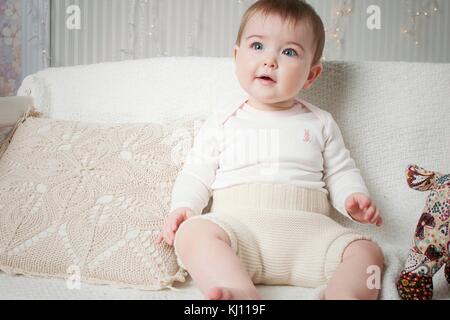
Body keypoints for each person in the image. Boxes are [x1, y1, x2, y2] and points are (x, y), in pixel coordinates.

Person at [156, 0, 384, 300]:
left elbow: (341, 171)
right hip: (239, 231)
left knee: (368, 252)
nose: (270, 61)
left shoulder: (320, 122)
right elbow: (197, 173)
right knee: (193, 234)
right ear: (237, 56)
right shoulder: (223, 120)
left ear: (311, 75)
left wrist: (353, 198)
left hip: (310, 236)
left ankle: (344, 295)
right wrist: (183, 207)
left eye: (289, 52)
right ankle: (239, 294)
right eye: (257, 46)